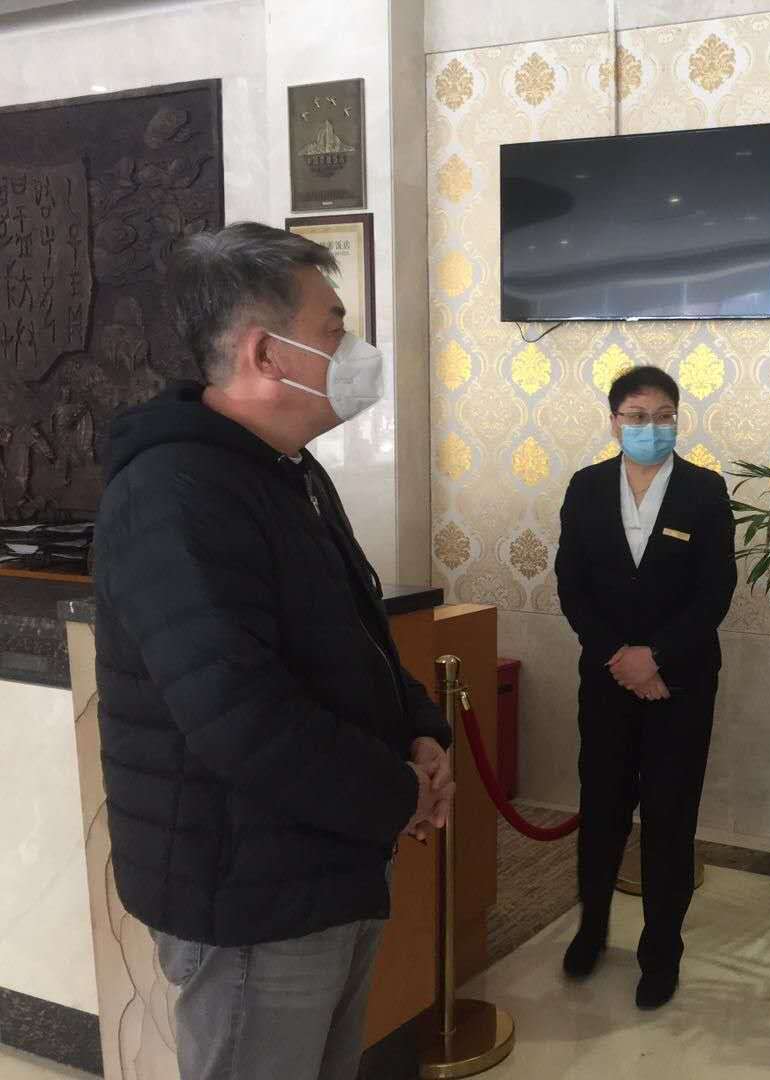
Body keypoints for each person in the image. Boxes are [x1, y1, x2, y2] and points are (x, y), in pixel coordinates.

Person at [93, 222, 455, 1080]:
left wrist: (421, 727)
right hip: (250, 895)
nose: (355, 350)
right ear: (266, 353)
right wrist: (399, 793)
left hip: (324, 861)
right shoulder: (173, 494)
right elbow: (241, 719)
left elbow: (357, 633)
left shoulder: (283, 468)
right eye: (335, 328)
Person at [555, 364, 737, 1010]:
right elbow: (571, 585)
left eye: (663, 416)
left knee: (669, 817)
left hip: (679, 685)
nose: (650, 427)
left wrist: (655, 658)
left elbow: (715, 592)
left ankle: (662, 950)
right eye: (637, 416)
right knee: (602, 810)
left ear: (677, 421)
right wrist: (620, 658)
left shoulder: (704, 491)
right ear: (614, 422)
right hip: (607, 682)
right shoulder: (585, 488)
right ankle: (592, 930)